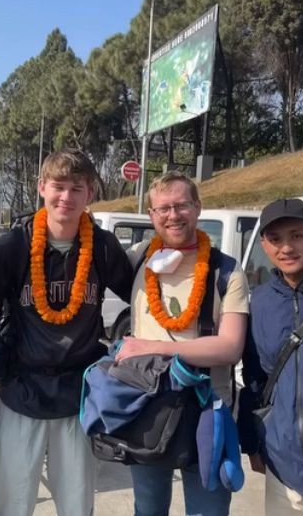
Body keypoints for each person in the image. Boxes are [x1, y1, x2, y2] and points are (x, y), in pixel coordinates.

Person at [0, 149, 134, 516]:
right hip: (21, 391)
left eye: (76, 188)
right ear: (41, 187)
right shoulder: (13, 246)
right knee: (12, 502)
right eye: (58, 186)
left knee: (77, 503)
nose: (66, 197)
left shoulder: (102, 246)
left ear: (90, 194)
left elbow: (142, 295)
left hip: (77, 395)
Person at [117, 171, 249, 516]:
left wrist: (150, 347)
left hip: (206, 413)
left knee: (208, 511)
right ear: (151, 215)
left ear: (198, 207)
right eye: (163, 208)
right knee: (148, 510)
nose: (173, 215)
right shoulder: (137, 259)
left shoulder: (225, 271)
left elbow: (230, 347)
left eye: (181, 205)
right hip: (147, 410)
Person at [238, 198, 303, 515]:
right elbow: (254, 378)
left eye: (297, 235)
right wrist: (252, 444)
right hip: (283, 472)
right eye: (275, 239)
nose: (286, 248)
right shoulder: (260, 303)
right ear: (264, 245)